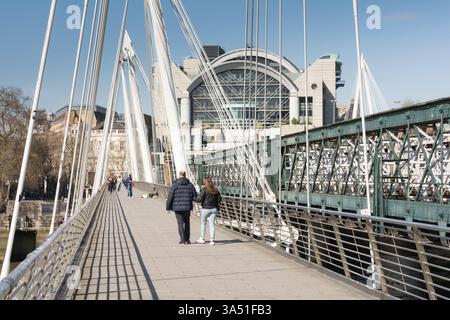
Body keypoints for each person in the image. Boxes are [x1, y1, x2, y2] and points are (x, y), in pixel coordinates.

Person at [166, 171, 197, 245]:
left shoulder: (175, 185)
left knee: (180, 223)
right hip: (187, 207)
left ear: (179, 175)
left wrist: (168, 207)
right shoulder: (190, 185)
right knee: (187, 223)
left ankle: (182, 239)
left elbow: (170, 197)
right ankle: (187, 239)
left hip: (177, 208)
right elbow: (195, 195)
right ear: (185, 175)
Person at [195, 177, 221, 246]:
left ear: (205, 183)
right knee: (212, 224)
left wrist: (192, 198)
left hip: (205, 209)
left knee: (203, 223)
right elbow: (219, 200)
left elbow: (199, 199)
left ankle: (202, 238)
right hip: (214, 209)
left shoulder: (204, 190)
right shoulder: (216, 190)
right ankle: (212, 240)